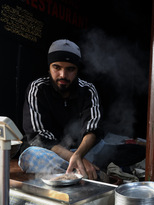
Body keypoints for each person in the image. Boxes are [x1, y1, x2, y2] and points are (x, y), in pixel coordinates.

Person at [19, 39, 145, 180]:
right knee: (31, 154)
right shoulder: (37, 88)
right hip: (52, 153)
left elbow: (93, 128)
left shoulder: (88, 90)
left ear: (77, 70)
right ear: (49, 67)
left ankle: (74, 171)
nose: (63, 75)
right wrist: (74, 158)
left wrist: (79, 155)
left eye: (70, 69)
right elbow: (39, 136)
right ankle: (86, 169)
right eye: (57, 67)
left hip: (83, 150)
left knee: (134, 150)